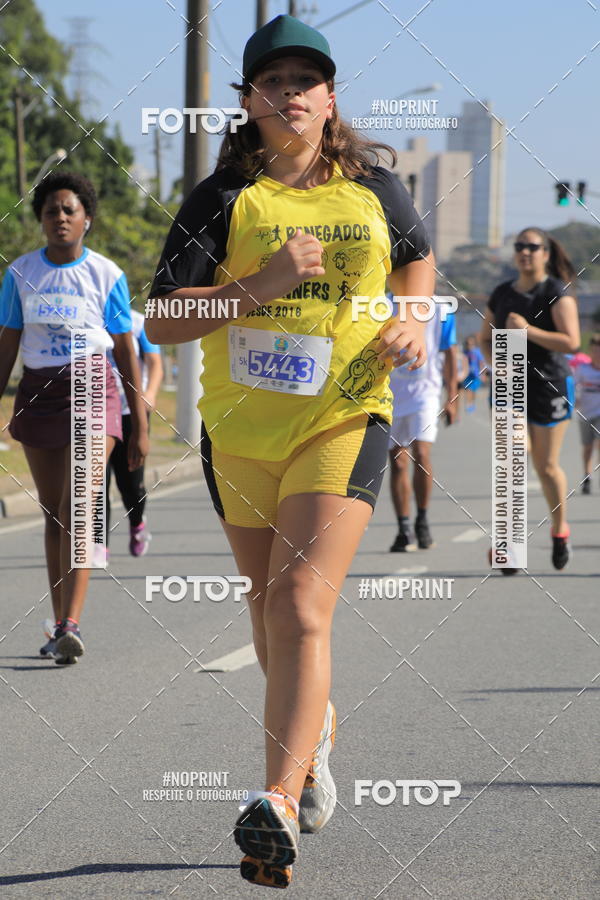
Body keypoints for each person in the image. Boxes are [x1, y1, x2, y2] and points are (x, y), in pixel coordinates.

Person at [146, 14, 434, 889]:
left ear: (331, 97)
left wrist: (413, 316)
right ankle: (318, 734)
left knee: (302, 607)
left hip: (345, 418)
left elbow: (418, 262)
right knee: (269, 615)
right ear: (249, 101)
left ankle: (274, 797)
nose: (294, 93)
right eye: (275, 81)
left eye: (309, 80)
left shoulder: (376, 188)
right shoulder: (222, 198)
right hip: (240, 432)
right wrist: (261, 283)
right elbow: (161, 317)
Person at [0, 172, 148, 662]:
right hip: (40, 390)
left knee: (78, 507)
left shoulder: (105, 274)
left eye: (69, 210)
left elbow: (127, 349)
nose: (60, 218)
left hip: (93, 386)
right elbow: (7, 344)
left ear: (86, 219)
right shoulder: (21, 272)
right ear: (40, 220)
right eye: (50, 211)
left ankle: (70, 623)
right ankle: (58, 622)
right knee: (52, 512)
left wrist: (138, 423)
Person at [480, 227, 580, 572]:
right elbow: (484, 340)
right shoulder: (502, 293)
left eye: (532, 247)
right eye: (519, 246)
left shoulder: (556, 293)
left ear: (545, 254)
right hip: (511, 386)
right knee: (511, 461)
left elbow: (572, 342)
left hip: (550, 384)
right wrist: (498, 366)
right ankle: (508, 544)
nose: (525, 252)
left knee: (546, 466)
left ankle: (559, 530)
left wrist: (528, 331)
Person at [388, 298, 458, 551]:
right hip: (392, 392)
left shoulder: (440, 308)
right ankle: (403, 527)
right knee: (397, 461)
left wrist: (451, 397)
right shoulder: (381, 303)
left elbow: (450, 352)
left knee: (422, 453)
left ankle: (422, 519)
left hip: (425, 392)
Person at [103, 309, 163, 562]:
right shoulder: (90, 319)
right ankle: (99, 545)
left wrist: (149, 394)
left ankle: (137, 522)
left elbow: (154, 363)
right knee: (95, 485)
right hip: (98, 411)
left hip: (131, 412)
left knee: (130, 484)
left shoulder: (138, 323)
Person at [573, 334, 600, 494]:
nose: (597, 354)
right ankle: (587, 475)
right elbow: (573, 387)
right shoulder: (583, 369)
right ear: (591, 351)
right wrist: (574, 400)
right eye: (595, 350)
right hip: (585, 414)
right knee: (587, 447)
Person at [461, 334, 485, 413]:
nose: (469, 345)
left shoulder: (477, 352)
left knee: (473, 390)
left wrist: (482, 374)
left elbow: (481, 363)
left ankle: (472, 403)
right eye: (468, 344)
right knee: (468, 389)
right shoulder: (465, 352)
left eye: (471, 344)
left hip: (476, 375)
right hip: (468, 375)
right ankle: (468, 404)